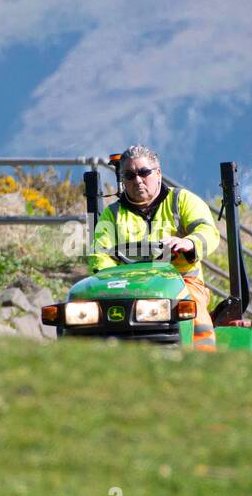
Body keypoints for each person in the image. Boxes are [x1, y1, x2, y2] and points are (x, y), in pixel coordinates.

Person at [89, 145, 220, 351]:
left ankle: (203, 361)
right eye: (130, 175)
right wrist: (109, 281)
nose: (138, 180)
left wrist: (189, 243)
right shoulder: (111, 215)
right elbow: (100, 254)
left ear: (158, 173)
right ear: (123, 180)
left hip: (182, 284)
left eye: (143, 172)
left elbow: (208, 231)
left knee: (192, 308)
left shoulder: (181, 200)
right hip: (127, 288)